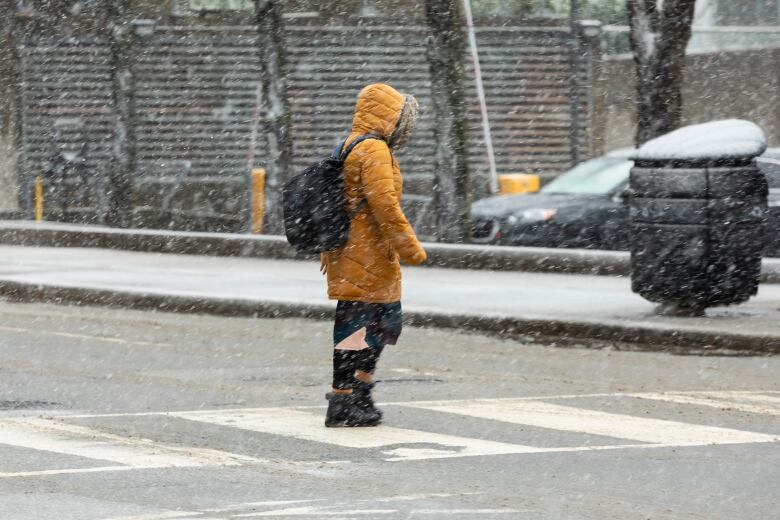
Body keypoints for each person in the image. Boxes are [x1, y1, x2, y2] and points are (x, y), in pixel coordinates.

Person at [320, 83, 427, 427]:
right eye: (401, 117)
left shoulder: (350, 144)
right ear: (388, 116)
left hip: (352, 250)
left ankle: (351, 398)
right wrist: (411, 247)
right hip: (366, 254)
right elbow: (385, 205)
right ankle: (348, 401)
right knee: (370, 327)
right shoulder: (374, 150)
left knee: (362, 327)